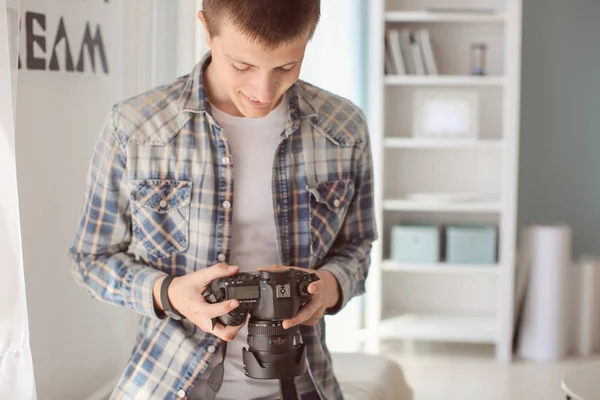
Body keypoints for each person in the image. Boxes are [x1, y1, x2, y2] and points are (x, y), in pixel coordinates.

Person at [68, 1, 376, 399]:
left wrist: (329, 287)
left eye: (286, 66)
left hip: (303, 382)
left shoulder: (343, 127)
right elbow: (91, 259)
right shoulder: (136, 127)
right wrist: (169, 293)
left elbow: (358, 245)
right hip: (169, 380)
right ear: (206, 29)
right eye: (242, 65)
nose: (262, 92)